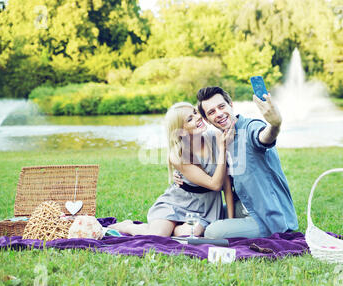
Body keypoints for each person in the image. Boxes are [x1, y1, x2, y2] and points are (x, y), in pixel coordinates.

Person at [174, 86, 298, 239]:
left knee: (213, 232)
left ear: (231, 104)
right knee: (205, 215)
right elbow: (210, 171)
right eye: (212, 112)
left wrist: (275, 125)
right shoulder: (222, 139)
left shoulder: (250, 127)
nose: (219, 114)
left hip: (269, 217)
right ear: (207, 119)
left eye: (221, 106)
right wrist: (182, 175)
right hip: (246, 207)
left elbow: (263, 137)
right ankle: (175, 226)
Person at [108, 102, 234, 237]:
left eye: (195, 112)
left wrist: (231, 223)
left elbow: (226, 184)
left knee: (191, 232)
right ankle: (127, 226)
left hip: (205, 208)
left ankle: (174, 228)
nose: (197, 117)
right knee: (157, 235)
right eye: (189, 119)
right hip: (176, 202)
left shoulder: (216, 137)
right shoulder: (177, 155)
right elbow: (215, 185)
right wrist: (222, 149)